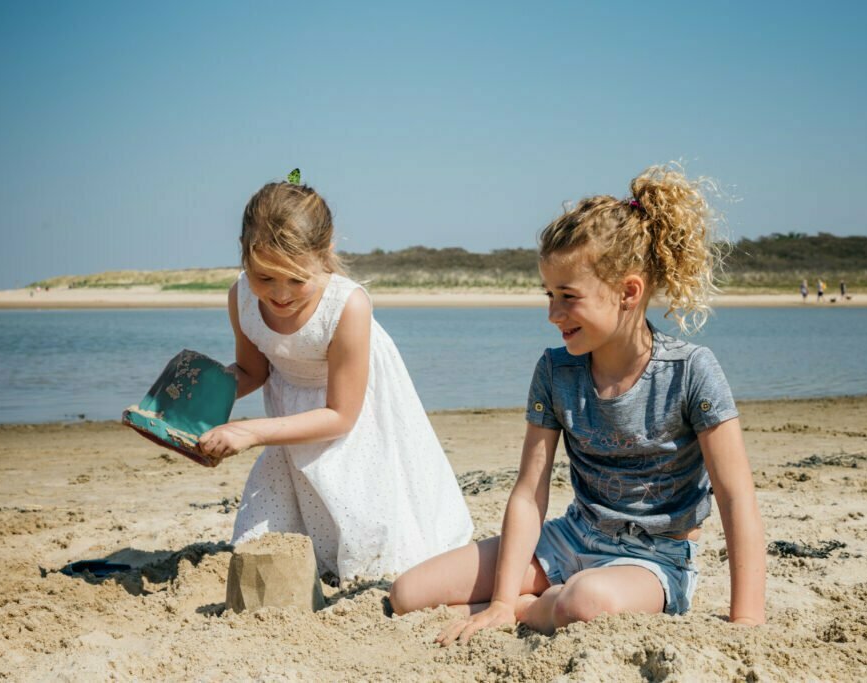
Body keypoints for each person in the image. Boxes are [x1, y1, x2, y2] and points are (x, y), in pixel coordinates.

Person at [389, 164, 766, 643]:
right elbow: (529, 492)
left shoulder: (692, 371)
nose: (552, 314)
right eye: (549, 295)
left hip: (652, 562)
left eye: (568, 297)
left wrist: (747, 621)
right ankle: (527, 605)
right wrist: (502, 601)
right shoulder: (554, 371)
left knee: (583, 603)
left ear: (628, 292)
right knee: (407, 593)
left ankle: (539, 607)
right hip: (569, 540)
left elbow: (737, 498)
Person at [196, 173, 473, 580]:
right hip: (291, 410)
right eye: (265, 277)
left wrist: (251, 431)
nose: (280, 294)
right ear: (243, 255)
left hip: (352, 410)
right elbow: (252, 371)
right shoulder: (241, 298)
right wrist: (198, 400)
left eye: (296, 279)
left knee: (366, 523)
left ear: (324, 253)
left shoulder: (347, 306)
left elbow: (342, 416)